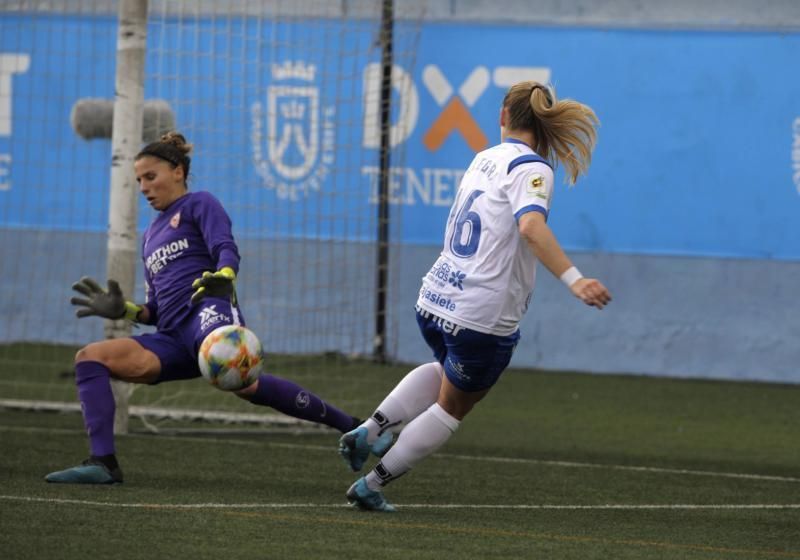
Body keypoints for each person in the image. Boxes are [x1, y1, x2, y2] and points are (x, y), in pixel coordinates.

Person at [338, 81, 612, 512]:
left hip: (435, 298)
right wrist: (574, 279)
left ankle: (371, 429)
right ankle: (372, 484)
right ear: (542, 125)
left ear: (503, 118)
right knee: (452, 408)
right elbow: (530, 227)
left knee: (443, 368)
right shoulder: (533, 170)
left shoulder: (484, 158)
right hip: (481, 316)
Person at [46, 132, 360, 484]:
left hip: (208, 312)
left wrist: (225, 276)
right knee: (90, 357)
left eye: (151, 177)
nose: (144, 187)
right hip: (173, 336)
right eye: (139, 181)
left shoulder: (200, 204)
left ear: (177, 171)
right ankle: (103, 463)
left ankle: (353, 429)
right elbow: (157, 310)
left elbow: (225, 247)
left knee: (243, 383)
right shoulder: (150, 236)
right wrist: (127, 312)